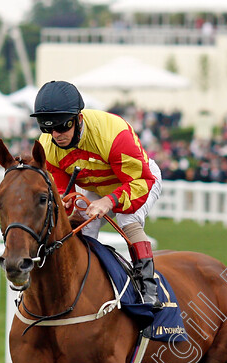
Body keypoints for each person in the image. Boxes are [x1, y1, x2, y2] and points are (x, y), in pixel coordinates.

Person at [30, 80, 163, 309]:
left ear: (78, 119)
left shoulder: (114, 133)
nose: (56, 135)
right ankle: (81, 287)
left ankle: (147, 289)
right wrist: (69, 211)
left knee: (127, 219)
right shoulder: (48, 146)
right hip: (93, 186)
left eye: (62, 127)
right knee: (83, 229)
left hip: (137, 180)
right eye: (48, 128)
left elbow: (141, 181)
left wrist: (109, 200)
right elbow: (64, 192)